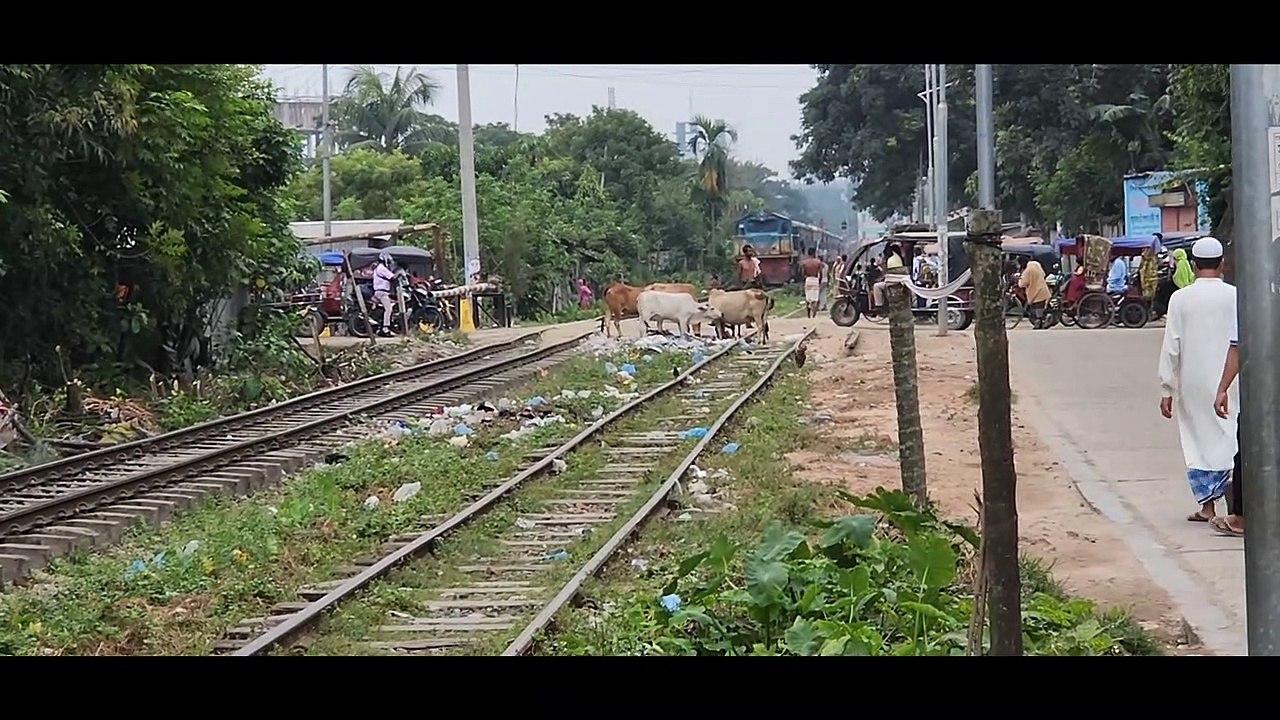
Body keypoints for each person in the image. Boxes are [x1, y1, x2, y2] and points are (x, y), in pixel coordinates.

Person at [1157, 236, 1238, 523]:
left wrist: (1167, 388)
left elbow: (1171, 345)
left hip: (1191, 381)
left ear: (1193, 265)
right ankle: (1235, 503)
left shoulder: (1179, 298)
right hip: (1230, 380)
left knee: (1197, 439)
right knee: (1229, 436)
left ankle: (1208, 508)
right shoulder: (1235, 295)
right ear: (1222, 264)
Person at [1211, 320, 1243, 537]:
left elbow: (1237, 346)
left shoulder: (1251, 299)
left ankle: (1241, 518)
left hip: (1263, 395)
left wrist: (1222, 388)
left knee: (1249, 455)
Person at [1018, 257, 1051, 329]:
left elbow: (1022, 284)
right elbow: (1043, 273)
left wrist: (1019, 280)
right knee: (1041, 306)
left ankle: (1039, 322)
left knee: (1037, 307)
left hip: (1035, 291)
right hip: (1043, 288)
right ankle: (1042, 321)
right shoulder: (1036, 264)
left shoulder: (1027, 271)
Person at [872, 243, 907, 310]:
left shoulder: (891, 260)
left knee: (876, 286)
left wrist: (881, 279)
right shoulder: (900, 258)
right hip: (899, 281)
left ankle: (879, 305)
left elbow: (888, 274)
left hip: (893, 283)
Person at [372, 252, 398, 337]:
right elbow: (392, 277)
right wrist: (400, 272)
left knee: (391, 305)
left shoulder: (378, 268)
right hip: (382, 292)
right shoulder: (382, 268)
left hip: (380, 292)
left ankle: (381, 326)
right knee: (389, 309)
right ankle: (385, 328)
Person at [800, 247, 823, 318]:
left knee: (808, 298)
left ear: (808, 253)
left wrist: (805, 278)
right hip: (815, 279)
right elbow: (821, 273)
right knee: (815, 299)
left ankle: (808, 315)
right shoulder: (818, 262)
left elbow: (802, 273)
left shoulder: (805, 262)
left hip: (808, 279)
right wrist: (819, 281)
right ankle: (814, 315)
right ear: (814, 253)